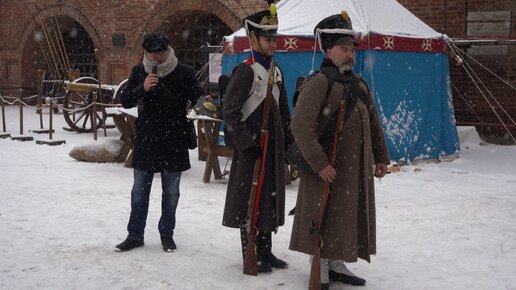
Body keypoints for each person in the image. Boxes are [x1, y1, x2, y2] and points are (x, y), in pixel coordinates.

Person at [288, 12, 390, 289]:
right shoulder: (319, 82)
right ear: (329, 51)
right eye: (345, 50)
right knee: (321, 217)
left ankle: (335, 264)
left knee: (343, 218)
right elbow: (299, 126)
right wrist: (320, 163)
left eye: (353, 50)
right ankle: (319, 266)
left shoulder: (358, 84)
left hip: (352, 170)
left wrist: (381, 157)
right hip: (325, 169)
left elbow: (374, 123)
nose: (351, 55)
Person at [116, 31, 206, 252]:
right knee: (139, 191)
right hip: (147, 140)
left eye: (163, 52)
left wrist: (206, 102)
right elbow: (125, 100)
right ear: (145, 52)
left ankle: (167, 233)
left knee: (171, 192)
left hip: (173, 139)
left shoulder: (184, 72)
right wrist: (143, 88)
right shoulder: (139, 72)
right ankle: (135, 235)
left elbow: (199, 96)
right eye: (154, 53)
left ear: (169, 49)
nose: (159, 57)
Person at [222, 3, 293, 274]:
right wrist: (245, 143)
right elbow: (230, 112)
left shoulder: (276, 71)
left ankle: (266, 250)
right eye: (267, 38)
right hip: (251, 148)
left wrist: (286, 139)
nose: (273, 43)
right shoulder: (246, 71)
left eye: (275, 38)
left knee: (267, 199)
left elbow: (284, 110)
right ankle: (250, 251)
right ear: (254, 39)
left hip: (271, 148)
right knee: (249, 200)